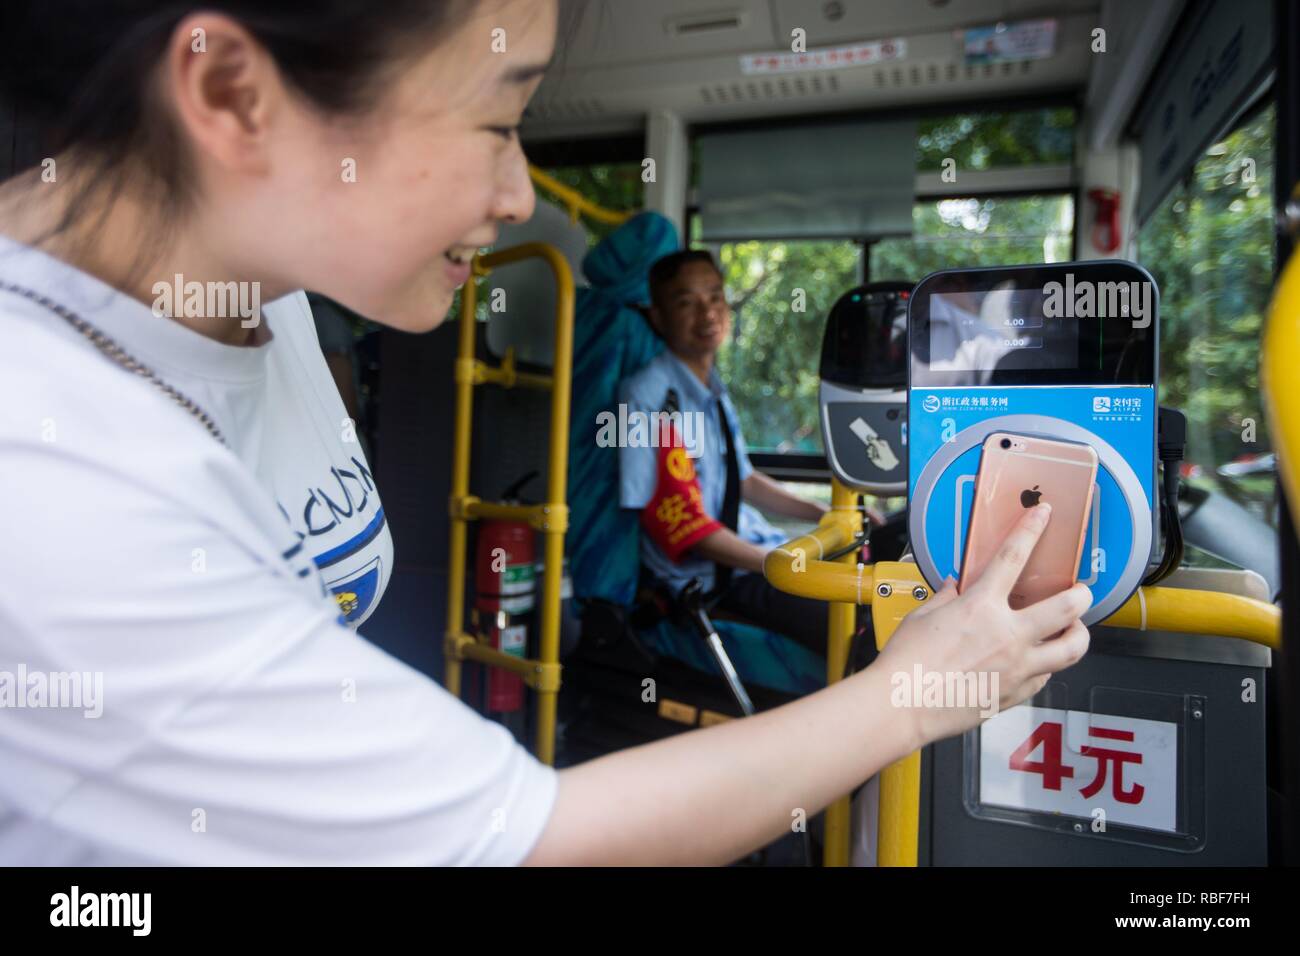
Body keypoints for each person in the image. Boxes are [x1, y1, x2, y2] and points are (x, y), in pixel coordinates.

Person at [0, 0, 1091, 866]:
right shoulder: (56, 490)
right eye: (498, 118)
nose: (523, 192)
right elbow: (546, 833)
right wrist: (922, 687)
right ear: (235, 96)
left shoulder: (254, 283)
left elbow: (740, 482)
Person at [619, 250, 880, 656]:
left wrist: (826, 513)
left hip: (756, 551)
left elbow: (745, 481)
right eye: (686, 302)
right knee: (862, 622)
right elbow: (677, 522)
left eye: (715, 297)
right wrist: (779, 563)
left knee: (888, 547)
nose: (707, 313)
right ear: (657, 316)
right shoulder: (650, 396)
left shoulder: (713, 392)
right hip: (716, 579)